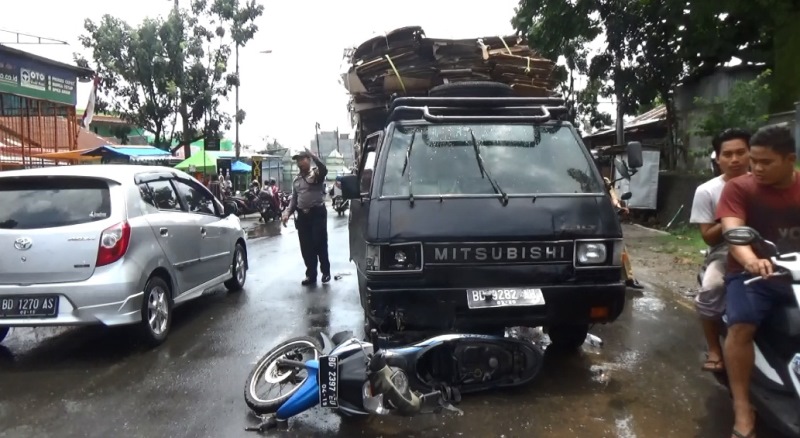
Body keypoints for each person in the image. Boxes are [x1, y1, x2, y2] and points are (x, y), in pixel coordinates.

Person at [716, 125, 799, 438]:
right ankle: (742, 406)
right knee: (742, 325)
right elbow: (732, 230)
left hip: (797, 273)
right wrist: (751, 260)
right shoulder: (739, 188)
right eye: (755, 161)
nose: (757, 168)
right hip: (753, 275)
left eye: (766, 162)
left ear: (790, 159)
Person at [690, 128, 751, 373]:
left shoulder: (765, 182)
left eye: (740, 153)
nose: (734, 159)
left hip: (767, 246)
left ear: (751, 154)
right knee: (711, 288)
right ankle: (714, 348)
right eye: (728, 154)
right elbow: (707, 237)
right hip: (724, 250)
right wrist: (730, 220)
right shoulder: (707, 191)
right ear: (718, 159)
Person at [282, 148, 331, 285]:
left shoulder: (316, 174)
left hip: (317, 214)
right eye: (297, 160)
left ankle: (325, 272)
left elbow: (323, 168)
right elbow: (294, 200)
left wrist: (314, 155)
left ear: (308, 160)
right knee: (306, 247)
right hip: (303, 217)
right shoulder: (296, 180)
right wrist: (287, 213)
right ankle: (311, 275)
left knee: (319, 243)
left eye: (302, 159)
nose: (299, 162)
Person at [603, 177, 644, 290]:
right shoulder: (581, 177)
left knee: (620, 248)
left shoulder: (604, 180)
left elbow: (613, 196)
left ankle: (628, 278)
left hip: (605, 217)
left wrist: (619, 207)